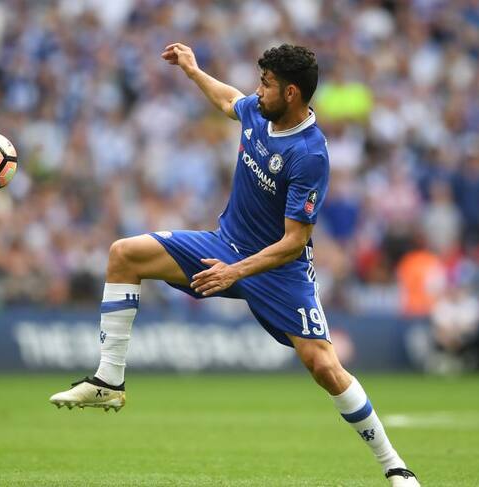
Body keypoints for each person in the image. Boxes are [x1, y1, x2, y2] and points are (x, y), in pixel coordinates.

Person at [50, 43, 420, 486]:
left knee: (324, 367)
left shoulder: (309, 154)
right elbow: (229, 100)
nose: (257, 91)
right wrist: (193, 70)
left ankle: (394, 466)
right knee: (124, 254)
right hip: (224, 245)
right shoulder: (259, 114)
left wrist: (236, 272)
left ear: (291, 93)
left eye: (266, 84)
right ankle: (109, 382)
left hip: (279, 272)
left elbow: (294, 242)